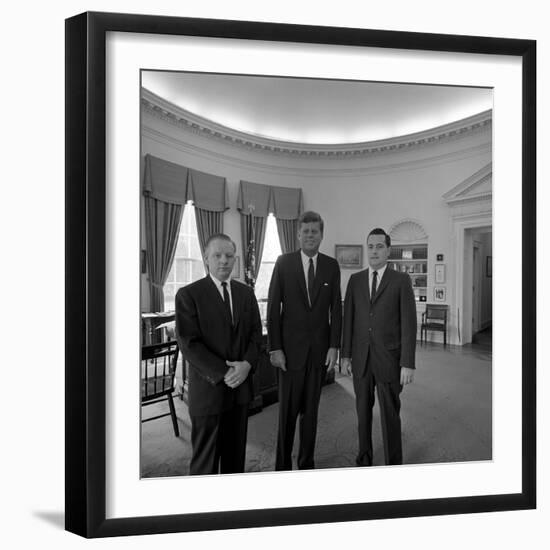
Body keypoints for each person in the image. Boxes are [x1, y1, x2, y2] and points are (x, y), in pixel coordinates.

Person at [175, 233, 262, 475]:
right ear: (206, 258)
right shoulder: (189, 294)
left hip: (240, 392)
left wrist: (246, 365)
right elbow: (189, 344)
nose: (224, 260)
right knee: (206, 463)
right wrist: (226, 372)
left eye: (229, 255)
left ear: (235, 259)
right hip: (208, 393)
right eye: (217, 255)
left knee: (235, 460)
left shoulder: (246, 294)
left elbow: (256, 335)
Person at [267, 211, 342, 470]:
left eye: (315, 231)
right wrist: (274, 347)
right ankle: (282, 467)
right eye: (306, 231)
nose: (310, 235)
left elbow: (336, 309)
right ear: (298, 234)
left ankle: (306, 464)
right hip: (289, 354)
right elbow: (273, 308)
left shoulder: (332, 266)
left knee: (311, 414)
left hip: (319, 353)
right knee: (287, 415)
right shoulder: (283, 262)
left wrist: (334, 345)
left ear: (322, 235)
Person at [342, 228, 417, 466]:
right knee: (362, 413)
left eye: (379, 246)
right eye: (370, 247)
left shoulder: (401, 280)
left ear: (388, 250)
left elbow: (409, 323)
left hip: (389, 360)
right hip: (361, 359)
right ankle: (364, 458)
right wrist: (345, 355)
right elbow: (348, 320)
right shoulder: (355, 280)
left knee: (390, 415)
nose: (374, 251)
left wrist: (407, 362)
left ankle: (394, 463)